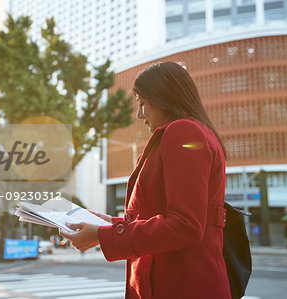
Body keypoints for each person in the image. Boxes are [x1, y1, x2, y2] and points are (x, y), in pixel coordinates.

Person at [60, 61, 231, 298]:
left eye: (142, 104)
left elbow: (185, 224)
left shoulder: (183, 132)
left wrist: (103, 235)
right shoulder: (190, 133)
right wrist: (110, 224)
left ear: (164, 99)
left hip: (181, 287)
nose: (140, 115)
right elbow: (160, 215)